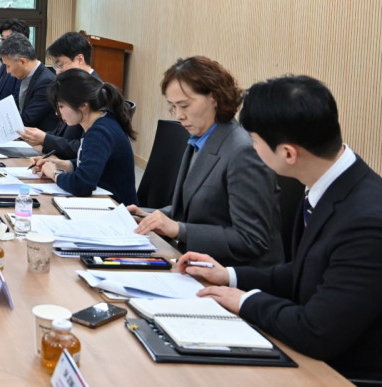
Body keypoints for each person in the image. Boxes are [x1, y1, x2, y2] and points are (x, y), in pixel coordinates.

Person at [177, 75, 382, 383]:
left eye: (254, 141)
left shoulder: (367, 221)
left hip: (339, 373)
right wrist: (230, 276)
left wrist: (244, 301)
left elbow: (317, 331)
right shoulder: (329, 184)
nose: (250, 148)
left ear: (288, 153)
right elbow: (306, 271)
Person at [129, 57, 282, 267]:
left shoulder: (243, 151)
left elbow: (251, 239)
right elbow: (193, 210)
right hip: (197, 262)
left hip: (233, 273)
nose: (179, 115)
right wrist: (146, 215)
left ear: (214, 98)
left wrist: (179, 230)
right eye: (173, 107)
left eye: (184, 105)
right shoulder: (200, 139)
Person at [31, 69, 137, 206]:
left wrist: (54, 174)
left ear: (83, 106)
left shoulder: (99, 132)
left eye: (61, 106)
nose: (59, 113)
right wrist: (62, 164)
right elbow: (92, 163)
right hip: (104, 202)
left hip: (117, 208)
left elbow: (82, 185)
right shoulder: (99, 120)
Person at [17, 31, 98, 156]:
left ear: (80, 59)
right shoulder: (75, 86)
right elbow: (61, 132)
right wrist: (34, 136)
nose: (58, 72)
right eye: (55, 67)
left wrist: (45, 139)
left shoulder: (96, 92)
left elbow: (85, 147)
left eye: (60, 65)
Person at [0, 33, 59, 131]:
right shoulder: (25, 75)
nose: (7, 71)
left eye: (8, 66)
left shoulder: (46, 82)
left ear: (22, 61)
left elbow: (27, 119)